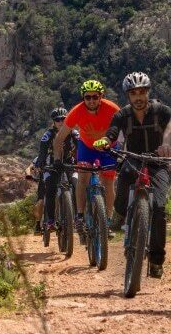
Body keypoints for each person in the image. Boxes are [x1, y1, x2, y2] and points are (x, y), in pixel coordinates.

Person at [93, 72, 171, 278]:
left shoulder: (161, 111)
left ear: (148, 92)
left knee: (159, 209)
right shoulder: (122, 115)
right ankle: (119, 213)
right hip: (132, 158)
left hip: (159, 163)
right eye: (134, 93)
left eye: (142, 92)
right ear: (128, 95)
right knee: (126, 173)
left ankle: (156, 261)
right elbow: (112, 131)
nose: (138, 97)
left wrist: (167, 143)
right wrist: (106, 141)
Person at [53, 80, 120, 238]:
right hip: (86, 148)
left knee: (109, 182)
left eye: (95, 97)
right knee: (83, 178)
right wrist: (57, 159)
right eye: (87, 97)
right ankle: (80, 217)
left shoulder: (112, 109)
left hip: (108, 148)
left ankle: (108, 222)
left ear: (101, 96)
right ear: (83, 98)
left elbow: (127, 128)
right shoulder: (76, 111)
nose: (91, 100)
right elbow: (59, 138)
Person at [31, 107, 79, 234]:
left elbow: (80, 146)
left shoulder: (73, 133)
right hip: (53, 166)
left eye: (64, 119)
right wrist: (41, 162)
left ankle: (78, 217)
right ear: (53, 122)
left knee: (76, 185)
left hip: (69, 164)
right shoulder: (48, 134)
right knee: (50, 189)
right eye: (58, 120)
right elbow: (42, 151)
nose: (61, 122)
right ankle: (51, 221)